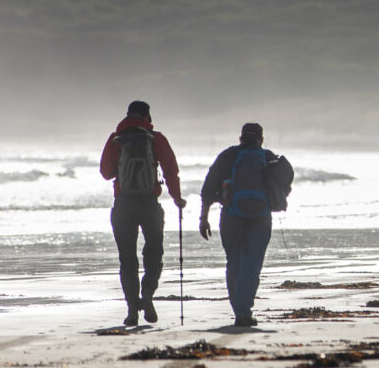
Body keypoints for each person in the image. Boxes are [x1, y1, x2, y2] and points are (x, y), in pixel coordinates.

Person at [98, 100, 185, 328]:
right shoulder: (155, 138)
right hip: (149, 203)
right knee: (154, 252)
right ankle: (147, 295)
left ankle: (131, 308)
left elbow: (106, 173)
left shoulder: (116, 139)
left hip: (123, 204)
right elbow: (171, 170)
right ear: (148, 117)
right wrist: (176, 198)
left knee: (127, 259)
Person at [198, 123, 294, 328]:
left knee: (234, 262)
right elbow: (284, 186)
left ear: (241, 138)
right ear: (261, 139)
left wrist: (203, 218)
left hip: (231, 216)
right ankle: (244, 310)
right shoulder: (268, 157)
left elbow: (208, 188)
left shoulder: (228, 156)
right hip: (260, 218)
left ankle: (239, 310)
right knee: (252, 264)